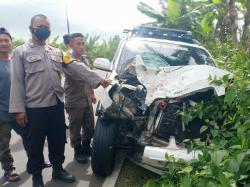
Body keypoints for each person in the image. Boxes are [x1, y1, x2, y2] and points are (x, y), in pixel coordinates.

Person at [9, 14, 111, 187]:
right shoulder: (21, 52)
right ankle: (37, 177)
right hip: (34, 108)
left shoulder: (56, 52)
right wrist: (19, 110)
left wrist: (98, 79)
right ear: (30, 28)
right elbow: (17, 82)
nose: (44, 29)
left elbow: (76, 66)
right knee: (35, 144)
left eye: (47, 27)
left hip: (56, 105)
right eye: (40, 26)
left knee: (57, 140)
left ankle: (58, 169)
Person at [64, 33, 96, 164]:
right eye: (78, 44)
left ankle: (86, 146)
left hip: (87, 99)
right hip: (75, 100)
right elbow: (81, 76)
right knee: (75, 128)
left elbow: (89, 79)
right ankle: (78, 150)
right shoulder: (67, 60)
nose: (81, 46)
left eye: (83, 43)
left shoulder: (85, 59)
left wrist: (93, 93)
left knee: (90, 127)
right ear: (71, 45)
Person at [0, 27, 21, 183]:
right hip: (2, 115)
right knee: (3, 145)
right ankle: (9, 169)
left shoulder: (17, 61)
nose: (3, 43)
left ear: (11, 43)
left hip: (20, 112)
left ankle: (36, 161)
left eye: (6, 40)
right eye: (0, 41)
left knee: (31, 137)